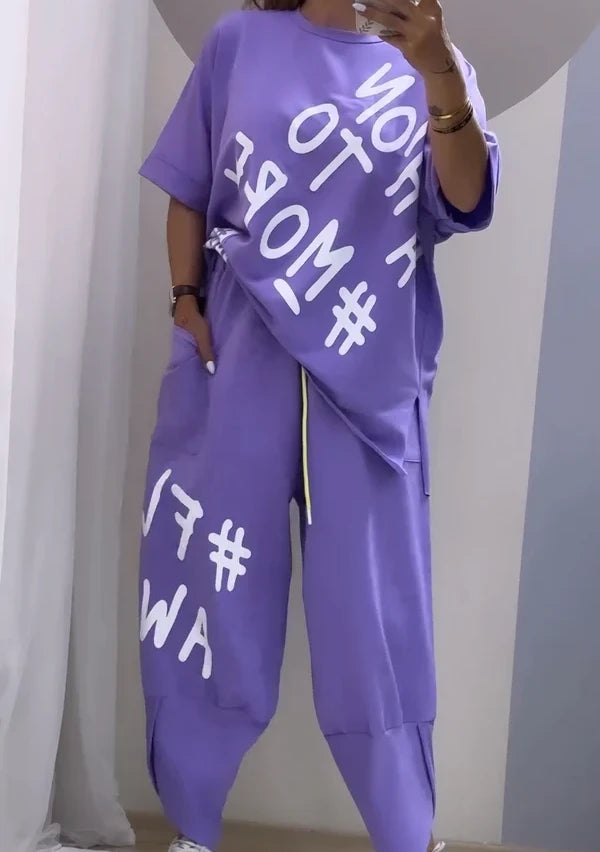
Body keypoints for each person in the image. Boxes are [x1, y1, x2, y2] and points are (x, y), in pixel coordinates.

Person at [138, 1, 500, 851]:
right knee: (216, 595)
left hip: (368, 394)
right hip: (240, 365)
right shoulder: (239, 42)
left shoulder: (434, 67)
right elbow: (189, 186)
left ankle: (406, 833)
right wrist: (185, 302)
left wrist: (439, 74)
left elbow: (464, 198)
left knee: (375, 622)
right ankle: (192, 824)